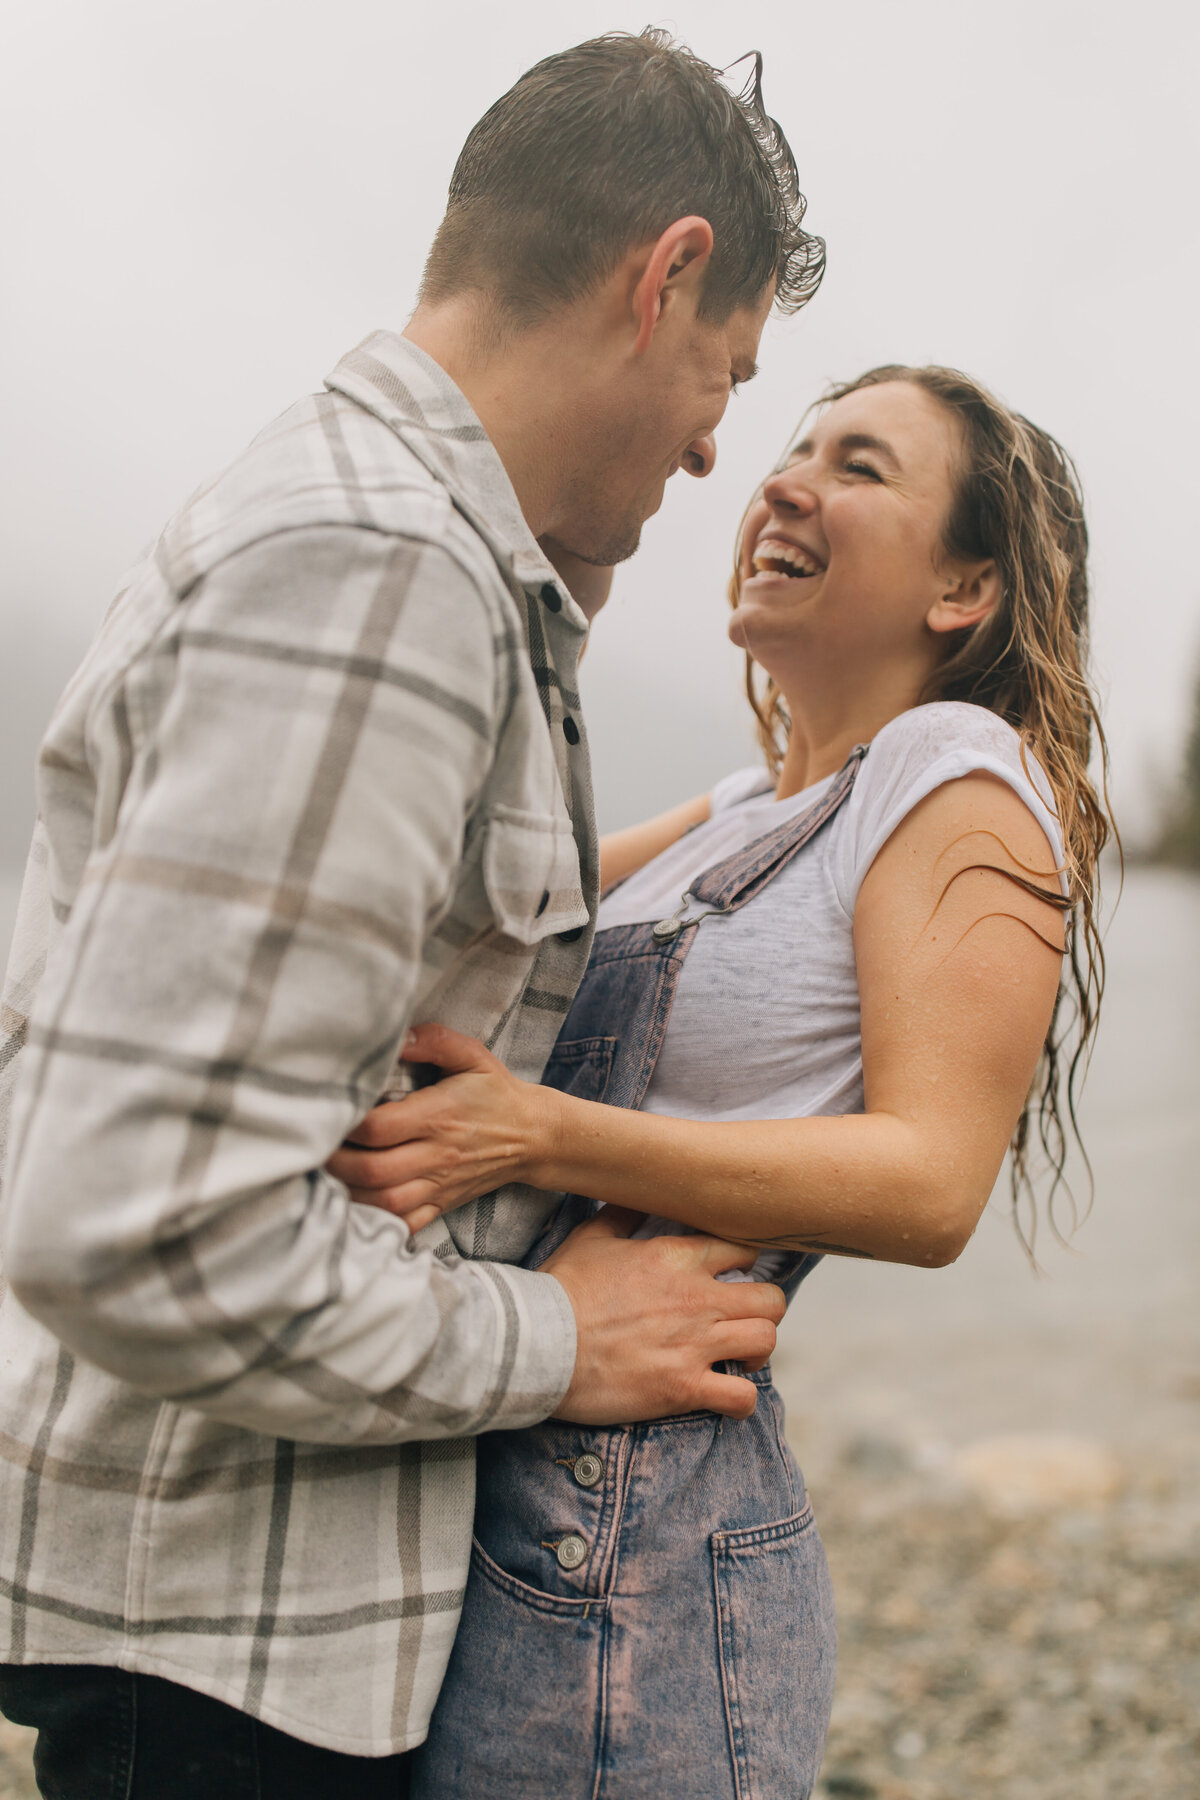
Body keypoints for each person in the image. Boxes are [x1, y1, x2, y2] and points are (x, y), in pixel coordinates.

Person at [0, 31, 827, 1797]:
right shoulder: (379, 571)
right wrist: (562, 1343)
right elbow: (126, 1223)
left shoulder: (412, 552)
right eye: (726, 373)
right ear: (661, 275)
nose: (709, 454)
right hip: (219, 1666)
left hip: (246, 1632)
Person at [329, 364, 1113, 1798]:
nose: (785, 480)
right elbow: (495, 910)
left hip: (651, 1546)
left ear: (964, 590)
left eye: (860, 465)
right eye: (793, 447)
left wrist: (537, 1134)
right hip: (519, 1476)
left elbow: (933, 1182)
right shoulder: (751, 804)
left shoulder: (954, 770)